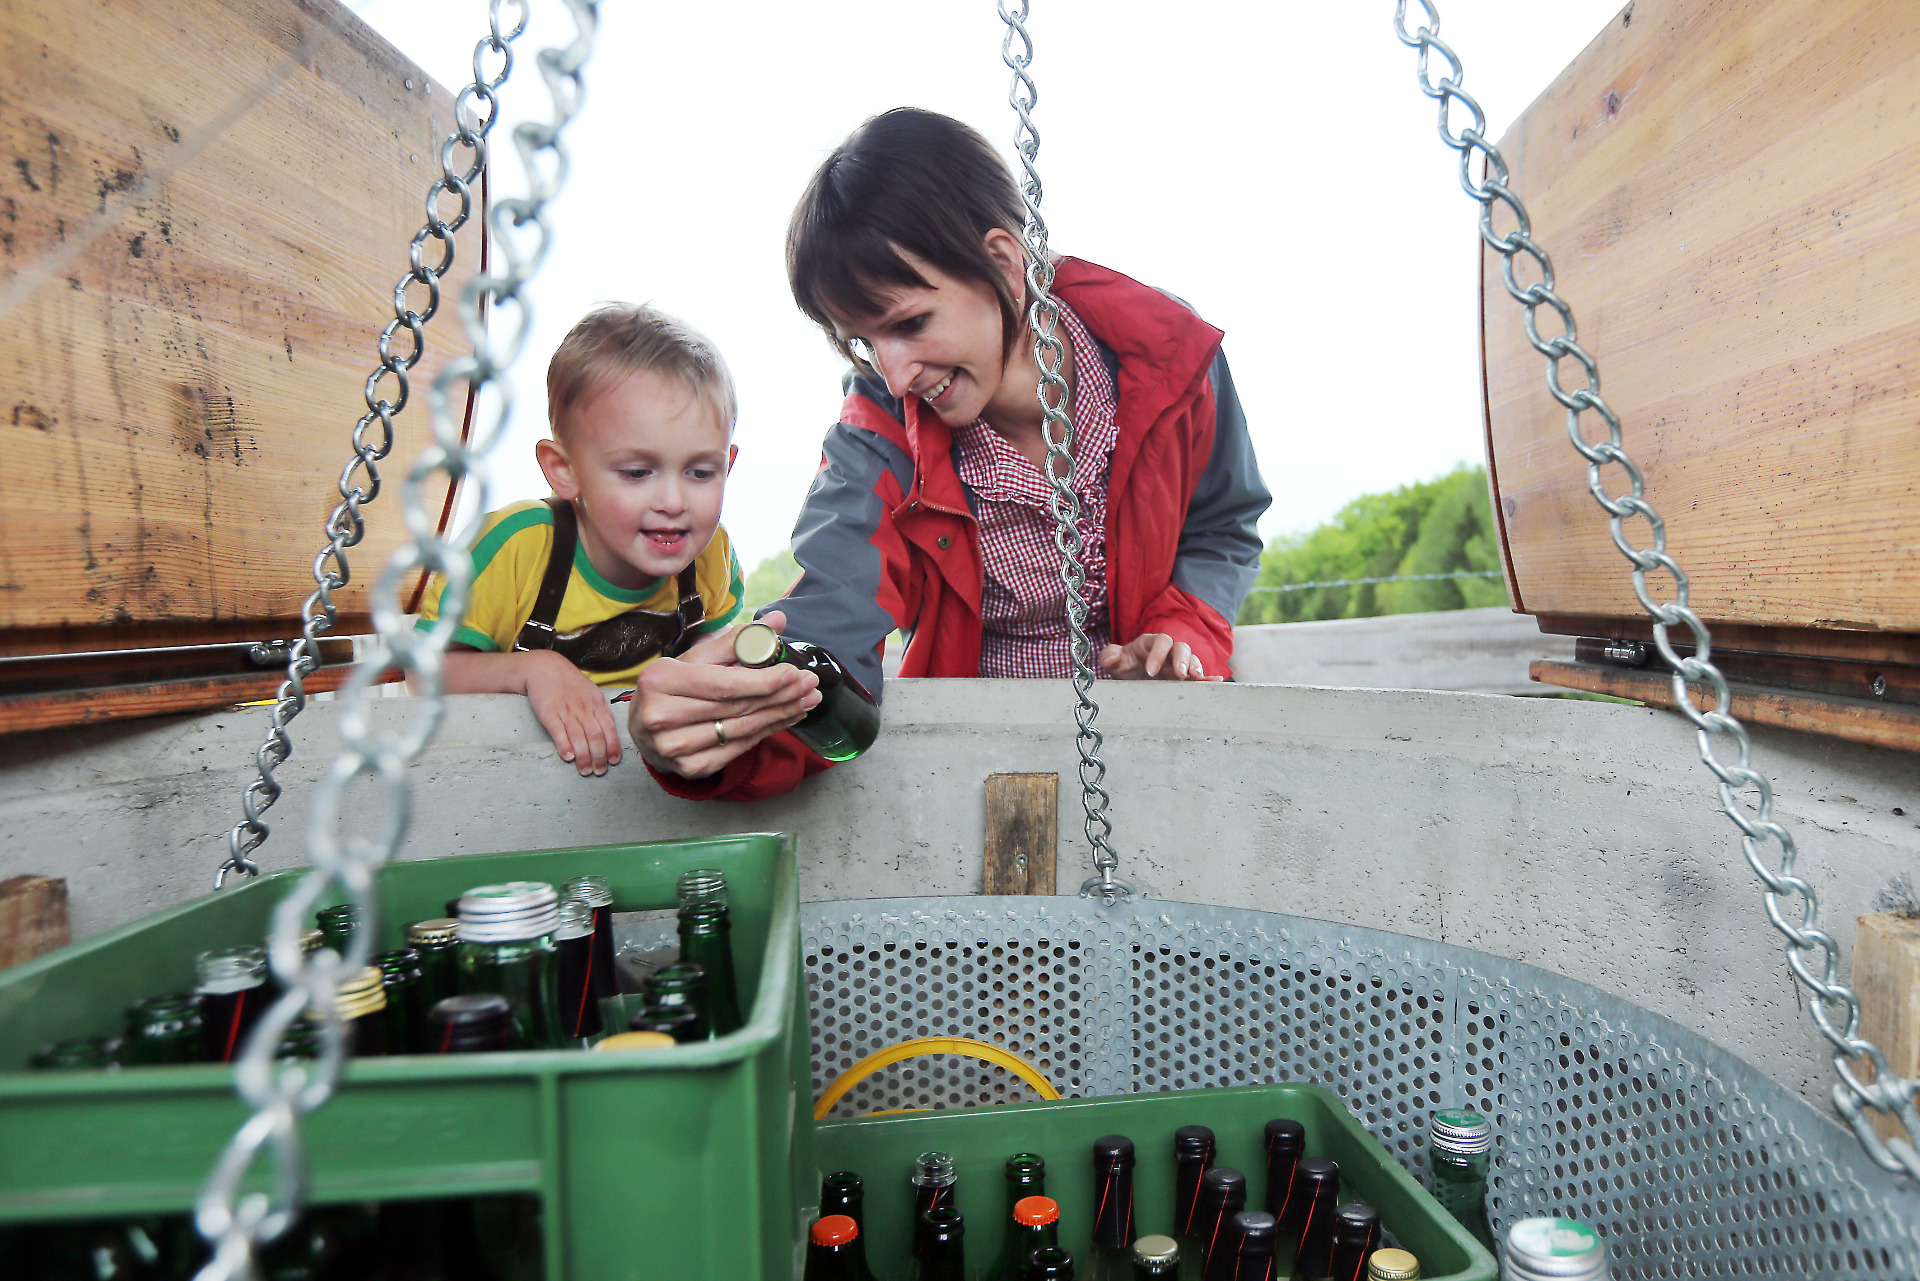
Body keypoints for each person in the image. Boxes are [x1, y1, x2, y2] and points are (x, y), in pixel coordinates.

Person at [632, 108, 1269, 801]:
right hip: (976, 765)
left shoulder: (1169, 358)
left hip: (1162, 749)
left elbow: (1221, 527)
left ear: (1004, 262)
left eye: (910, 322)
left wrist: (1181, 632)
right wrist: (722, 722)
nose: (896, 374)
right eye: (865, 341)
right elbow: (834, 610)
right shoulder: (880, 432)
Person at [416, 303, 816, 775]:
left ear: (727, 465)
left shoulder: (710, 553)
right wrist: (533, 669)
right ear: (564, 470)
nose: (674, 502)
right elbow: (423, 672)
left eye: (700, 472)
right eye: (637, 472)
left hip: (654, 772)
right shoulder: (514, 547)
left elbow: (710, 652)